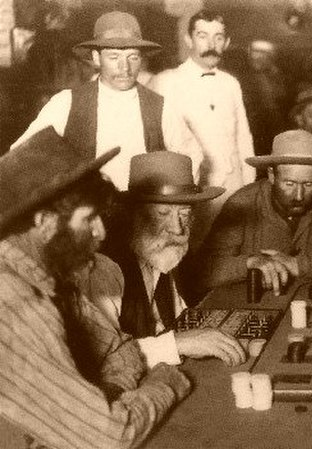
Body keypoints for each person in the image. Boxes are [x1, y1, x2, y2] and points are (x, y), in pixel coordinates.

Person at [0, 127, 190, 448]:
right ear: (45, 223)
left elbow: (122, 350)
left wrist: (105, 398)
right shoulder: (13, 301)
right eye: (88, 219)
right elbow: (109, 437)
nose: (100, 233)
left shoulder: (51, 280)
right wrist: (166, 382)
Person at [11, 11, 201, 191]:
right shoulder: (65, 104)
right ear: (96, 57)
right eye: (114, 57)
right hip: (91, 219)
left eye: (132, 57)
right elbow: (21, 156)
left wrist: (168, 203)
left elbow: (192, 156)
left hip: (143, 216)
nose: (124, 67)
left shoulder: (160, 107)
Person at [91, 152, 246, 368]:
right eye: (162, 214)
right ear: (133, 214)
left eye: (184, 214)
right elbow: (105, 358)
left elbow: (171, 321)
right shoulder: (103, 269)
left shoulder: (159, 253)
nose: (177, 228)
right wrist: (177, 344)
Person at [193, 130, 312, 296]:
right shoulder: (243, 204)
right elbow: (200, 274)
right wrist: (249, 262)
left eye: (308, 184)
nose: (299, 196)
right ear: (272, 175)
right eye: (289, 184)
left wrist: (297, 265)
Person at [148, 10, 255, 217]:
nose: (211, 44)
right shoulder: (166, 82)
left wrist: (247, 188)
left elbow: (244, 138)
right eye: (202, 36)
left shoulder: (231, 83)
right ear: (188, 39)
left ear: (226, 42)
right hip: (193, 191)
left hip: (234, 189)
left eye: (218, 37)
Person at [239, 39, 288, 158]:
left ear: (270, 58)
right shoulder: (242, 79)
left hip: (275, 129)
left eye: (262, 55)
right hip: (252, 130)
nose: (257, 58)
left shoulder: (279, 78)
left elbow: (283, 102)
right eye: (254, 54)